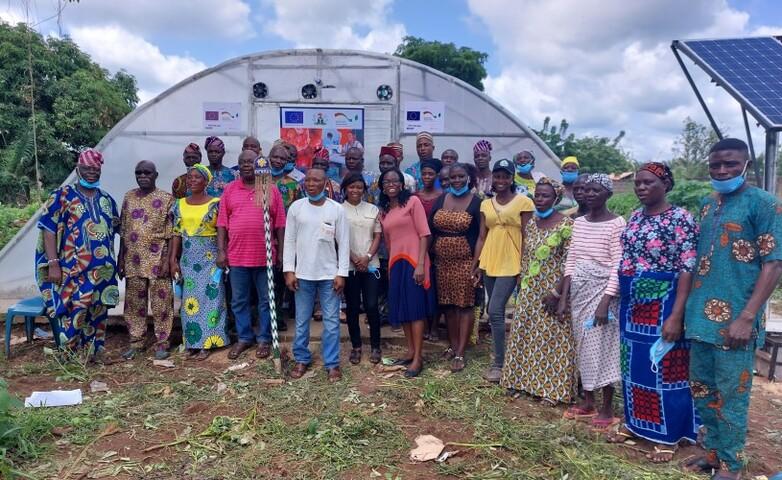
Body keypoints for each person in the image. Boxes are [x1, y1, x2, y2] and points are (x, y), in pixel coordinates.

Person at [682, 138, 782, 479]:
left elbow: (773, 264)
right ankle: (711, 453)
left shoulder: (765, 204)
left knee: (732, 396)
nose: (722, 170)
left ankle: (732, 466)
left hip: (737, 321)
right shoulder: (707, 204)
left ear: (746, 166)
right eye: (716, 165)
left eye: (730, 164)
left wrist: (747, 316)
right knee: (703, 389)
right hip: (700, 319)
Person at [606, 162, 700, 463]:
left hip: (665, 304)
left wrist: (677, 315)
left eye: (648, 182)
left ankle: (669, 435)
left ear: (665, 185)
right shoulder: (635, 217)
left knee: (666, 368)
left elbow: (687, 269)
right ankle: (636, 425)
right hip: (633, 304)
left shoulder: (680, 219)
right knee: (633, 367)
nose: (641, 187)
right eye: (638, 183)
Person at [35, 149, 120, 360]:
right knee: (75, 310)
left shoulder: (107, 200)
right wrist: (53, 263)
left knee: (99, 311)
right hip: (74, 268)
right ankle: (69, 355)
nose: (91, 172)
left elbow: (117, 230)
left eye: (95, 169)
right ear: (78, 169)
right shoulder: (62, 195)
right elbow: (48, 229)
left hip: (103, 270)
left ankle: (94, 352)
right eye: (86, 168)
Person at [501, 177, 577, 404]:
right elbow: (526, 254)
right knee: (526, 334)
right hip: (529, 289)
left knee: (552, 339)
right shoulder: (532, 223)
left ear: (556, 198)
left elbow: (569, 264)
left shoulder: (566, 225)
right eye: (538, 195)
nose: (540, 200)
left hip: (552, 291)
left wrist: (557, 294)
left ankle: (552, 390)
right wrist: (520, 281)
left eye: (545, 196)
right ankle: (523, 382)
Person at [560, 173, 625, 430]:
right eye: (585, 190)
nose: (588, 194)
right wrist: (564, 296)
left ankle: (607, 408)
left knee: (602, 348)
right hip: (579, 291)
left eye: (595, 190)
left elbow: (618, 265)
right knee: (582, 346)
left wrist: (605, 301)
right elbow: (571, 260)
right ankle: (588, 402)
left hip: (602, 293)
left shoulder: (617, 224)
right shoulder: (579, 223)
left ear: (608, 194)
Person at [217, 150, 287, 360]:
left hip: (265, 257)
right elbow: (222, 223)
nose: (247, 165)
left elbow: (280, 224)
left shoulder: (269, 189)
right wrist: (221, 251)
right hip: (237, 257)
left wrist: (282, 252)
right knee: (239, 300)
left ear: (258, 165)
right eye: (243, 162)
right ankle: (244, 337)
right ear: (238, 166)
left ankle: (264, 339)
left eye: (251, 161)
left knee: (267, 300)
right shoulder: (229, 190)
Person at [284, 168, 350, 382]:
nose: (311, 184)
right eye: (308, 180)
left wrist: (341, 273)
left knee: (331, 322)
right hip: (303, 275)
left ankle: (332, 364)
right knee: (302, 321)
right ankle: (302, 359)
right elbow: (289, 241)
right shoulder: (296, 208)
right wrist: (289, 270)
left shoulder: (336, 209)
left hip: (329, 276)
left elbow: (344, 244)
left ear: (325, 183)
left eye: (317, 180)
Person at [472, 159, 534, 382]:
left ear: (512, 178)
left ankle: (499, 364)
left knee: (496, 310)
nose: (500, 180)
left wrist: (524, 266)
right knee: (493, 310)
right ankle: (503, 356)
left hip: (511, 262)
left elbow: (528, 236)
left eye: (505, 176)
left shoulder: (524, 202)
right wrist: (476, 264)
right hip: (490, 260)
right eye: (497, 176)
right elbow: (482, 236)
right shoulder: (485, 205)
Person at [378, 168, 435, 377]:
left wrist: (420, 264)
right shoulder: (384, 211)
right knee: (402, 310)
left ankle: (418, 358)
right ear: (382, 187)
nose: (390, 184)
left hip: (414, 262)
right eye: (386, 181)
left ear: (402, 184)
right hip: (396, 263)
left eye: (394, 181)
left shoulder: (413, 202)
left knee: (415, 310)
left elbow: (424, 235)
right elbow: (389, 242)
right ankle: (410, 351)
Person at [169, 164, 229, 360]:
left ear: (206, 181)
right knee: (189, 302)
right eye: (190, 177)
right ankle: (192, 342)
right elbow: (176, 233)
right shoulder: (179, 204)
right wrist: (173, 260)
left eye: (197, 177)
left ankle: (208, 342)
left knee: (212, 299)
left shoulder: (217, 203)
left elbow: (222, 230)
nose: (192, 180)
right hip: (188, 258)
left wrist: (222, 253)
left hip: (211, 257)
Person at [118, 160, 175, 360]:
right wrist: (120, 259)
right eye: (139, 172)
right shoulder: (129, 197)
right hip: (133, 260)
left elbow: (171, 234)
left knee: (161, 303)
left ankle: (162, 343)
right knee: (134, 303)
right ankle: (136, 342)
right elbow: (124, 231)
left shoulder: (167, 199)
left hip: (157, 258)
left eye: (147, 172)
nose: (143, 176)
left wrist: (168, 260)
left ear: (155, 175)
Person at [429, 163, 482, 372]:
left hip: (465, 261)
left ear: (468, 178)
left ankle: (461, 351)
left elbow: (481, 236)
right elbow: (431, 227)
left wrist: (476, 264)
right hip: (442, 262)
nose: (457, 180)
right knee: (448, 305)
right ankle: (452, 345)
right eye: (453, 178)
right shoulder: (441, 199)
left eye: (461, 177)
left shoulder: (477, 203)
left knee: (464, 306)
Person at [342, 173, 383, 364]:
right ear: (345, 189)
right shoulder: (338, 210)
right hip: (349, 267)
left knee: (372, 306)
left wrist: (366, 258)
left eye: (359, 187)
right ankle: (356, 347)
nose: (355, 190)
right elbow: (338, 239)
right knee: (352, 308)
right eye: (351, 187)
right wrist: (354, 258)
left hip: (371, 266)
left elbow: (377, 236)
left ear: (364, 190)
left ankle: (376, 346)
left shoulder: (373, 209)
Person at [269, 144, 300, 210]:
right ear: (269, 157)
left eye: (282, 159)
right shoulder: (259, 180)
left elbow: (299, 207)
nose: (278, 161)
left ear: (286, 161)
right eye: (275, 157)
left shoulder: (294, 184)